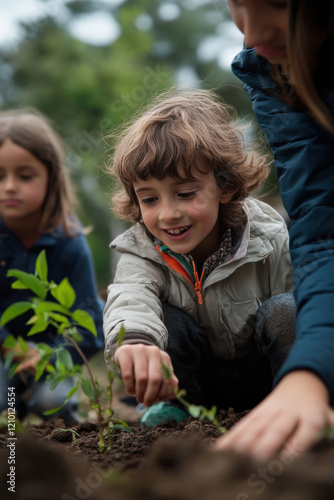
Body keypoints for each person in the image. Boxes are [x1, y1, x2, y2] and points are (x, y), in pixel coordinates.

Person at [103, 89, 295, 428]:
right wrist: (134, 339)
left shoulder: (269, 236)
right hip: (194, 385)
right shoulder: (141, 248)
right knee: (162, 318)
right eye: (149, 199)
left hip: (265, 378)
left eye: (185, 193)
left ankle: (297, 400)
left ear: (225, 188)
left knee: (287, 310)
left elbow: (303, 311)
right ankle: (174, 407)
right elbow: (131, 296)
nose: (167, 214)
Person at [214, 0, 334, 460]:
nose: (250, 33)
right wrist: (308, 375)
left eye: (278, 4)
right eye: (237, 4)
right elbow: (324, 234)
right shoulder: (274, 73)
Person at [0, 108, 105, 422]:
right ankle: (12, 402)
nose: (9, 186)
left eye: (25, 175)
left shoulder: (69, 242)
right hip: (4, 353)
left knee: (53, 405)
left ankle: (41, 401)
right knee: (3, 404)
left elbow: (90, 319)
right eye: (0, 175)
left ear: (52, 178)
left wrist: (48, 355)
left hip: (52, 357)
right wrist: (9, 347)